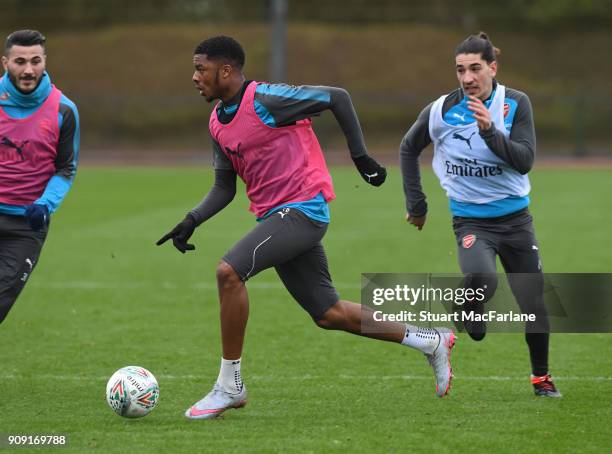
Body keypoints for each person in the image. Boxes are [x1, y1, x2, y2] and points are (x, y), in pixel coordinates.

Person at [157, 35, 456, 419]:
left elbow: (338, 97)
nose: (195, 76)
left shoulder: (266, 99)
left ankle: (230, 386)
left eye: (201, 68)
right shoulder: (217, 122)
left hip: (303, 211)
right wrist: (191, 220)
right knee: (328, 313)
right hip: (278, 219)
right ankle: (429, 341)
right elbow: (223, 187)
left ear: (226, 70)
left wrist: (360, 157)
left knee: (228, 273)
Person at [400, 32, 560, 397]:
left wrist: (489, 131)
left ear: (492, 67)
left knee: (533, 303)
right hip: (471, 222)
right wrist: (417, 204)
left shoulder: (515, 104)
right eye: (460, 70)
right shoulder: (440, 110)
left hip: (517, 222)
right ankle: (464, 305)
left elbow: (524, 161)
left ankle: (542, 378)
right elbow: (409, 148)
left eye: (475, 68)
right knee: (480, 277)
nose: (467, 77)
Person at [0, 30, 79, 324]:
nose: (28, 69)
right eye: (20, 61)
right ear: (5, 62)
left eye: (36, 61)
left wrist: (45, 204)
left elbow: (66, 168)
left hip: (25, 227)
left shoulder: (64, 110)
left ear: (45, 61)